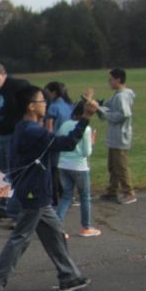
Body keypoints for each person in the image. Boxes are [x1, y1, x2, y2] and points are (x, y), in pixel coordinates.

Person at [0, 86, 97, 291]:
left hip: (36, 192)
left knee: (55, 233)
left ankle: (70, 276)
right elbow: (66, 143)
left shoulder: (24, 127)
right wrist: (85, 117)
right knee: (20, 239)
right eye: (41, 101)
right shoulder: (32, 131)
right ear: (31, 106)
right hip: (34, 193)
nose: (45, 105)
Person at [0, 62, 30, 219]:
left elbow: (33, 97)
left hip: (14, 135)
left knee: (14, 171)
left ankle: (17, 212)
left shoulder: (17, 85)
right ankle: (1, 207)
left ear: (4, 75)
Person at [54, 101, 101, 237]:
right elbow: (86, 152)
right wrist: (91, 142)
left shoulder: (64, 125)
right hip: (79, 166)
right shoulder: (85, 129)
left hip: (63, 165)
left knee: (66, 196)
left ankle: (57, 226)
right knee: (85, 196)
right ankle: (86, 226)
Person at [97, 68, 137, 204]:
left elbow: (124, 114)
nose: (109, 82)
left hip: (120, 136)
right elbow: (110, 106)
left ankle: (129, 192)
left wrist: (107, 115)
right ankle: (112, 190)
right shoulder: (118, 94)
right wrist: (99, 107)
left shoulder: (121, 96)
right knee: (112, 165)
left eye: (111, 79)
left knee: (120, 166)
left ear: (118, 79)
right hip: (114, 136)